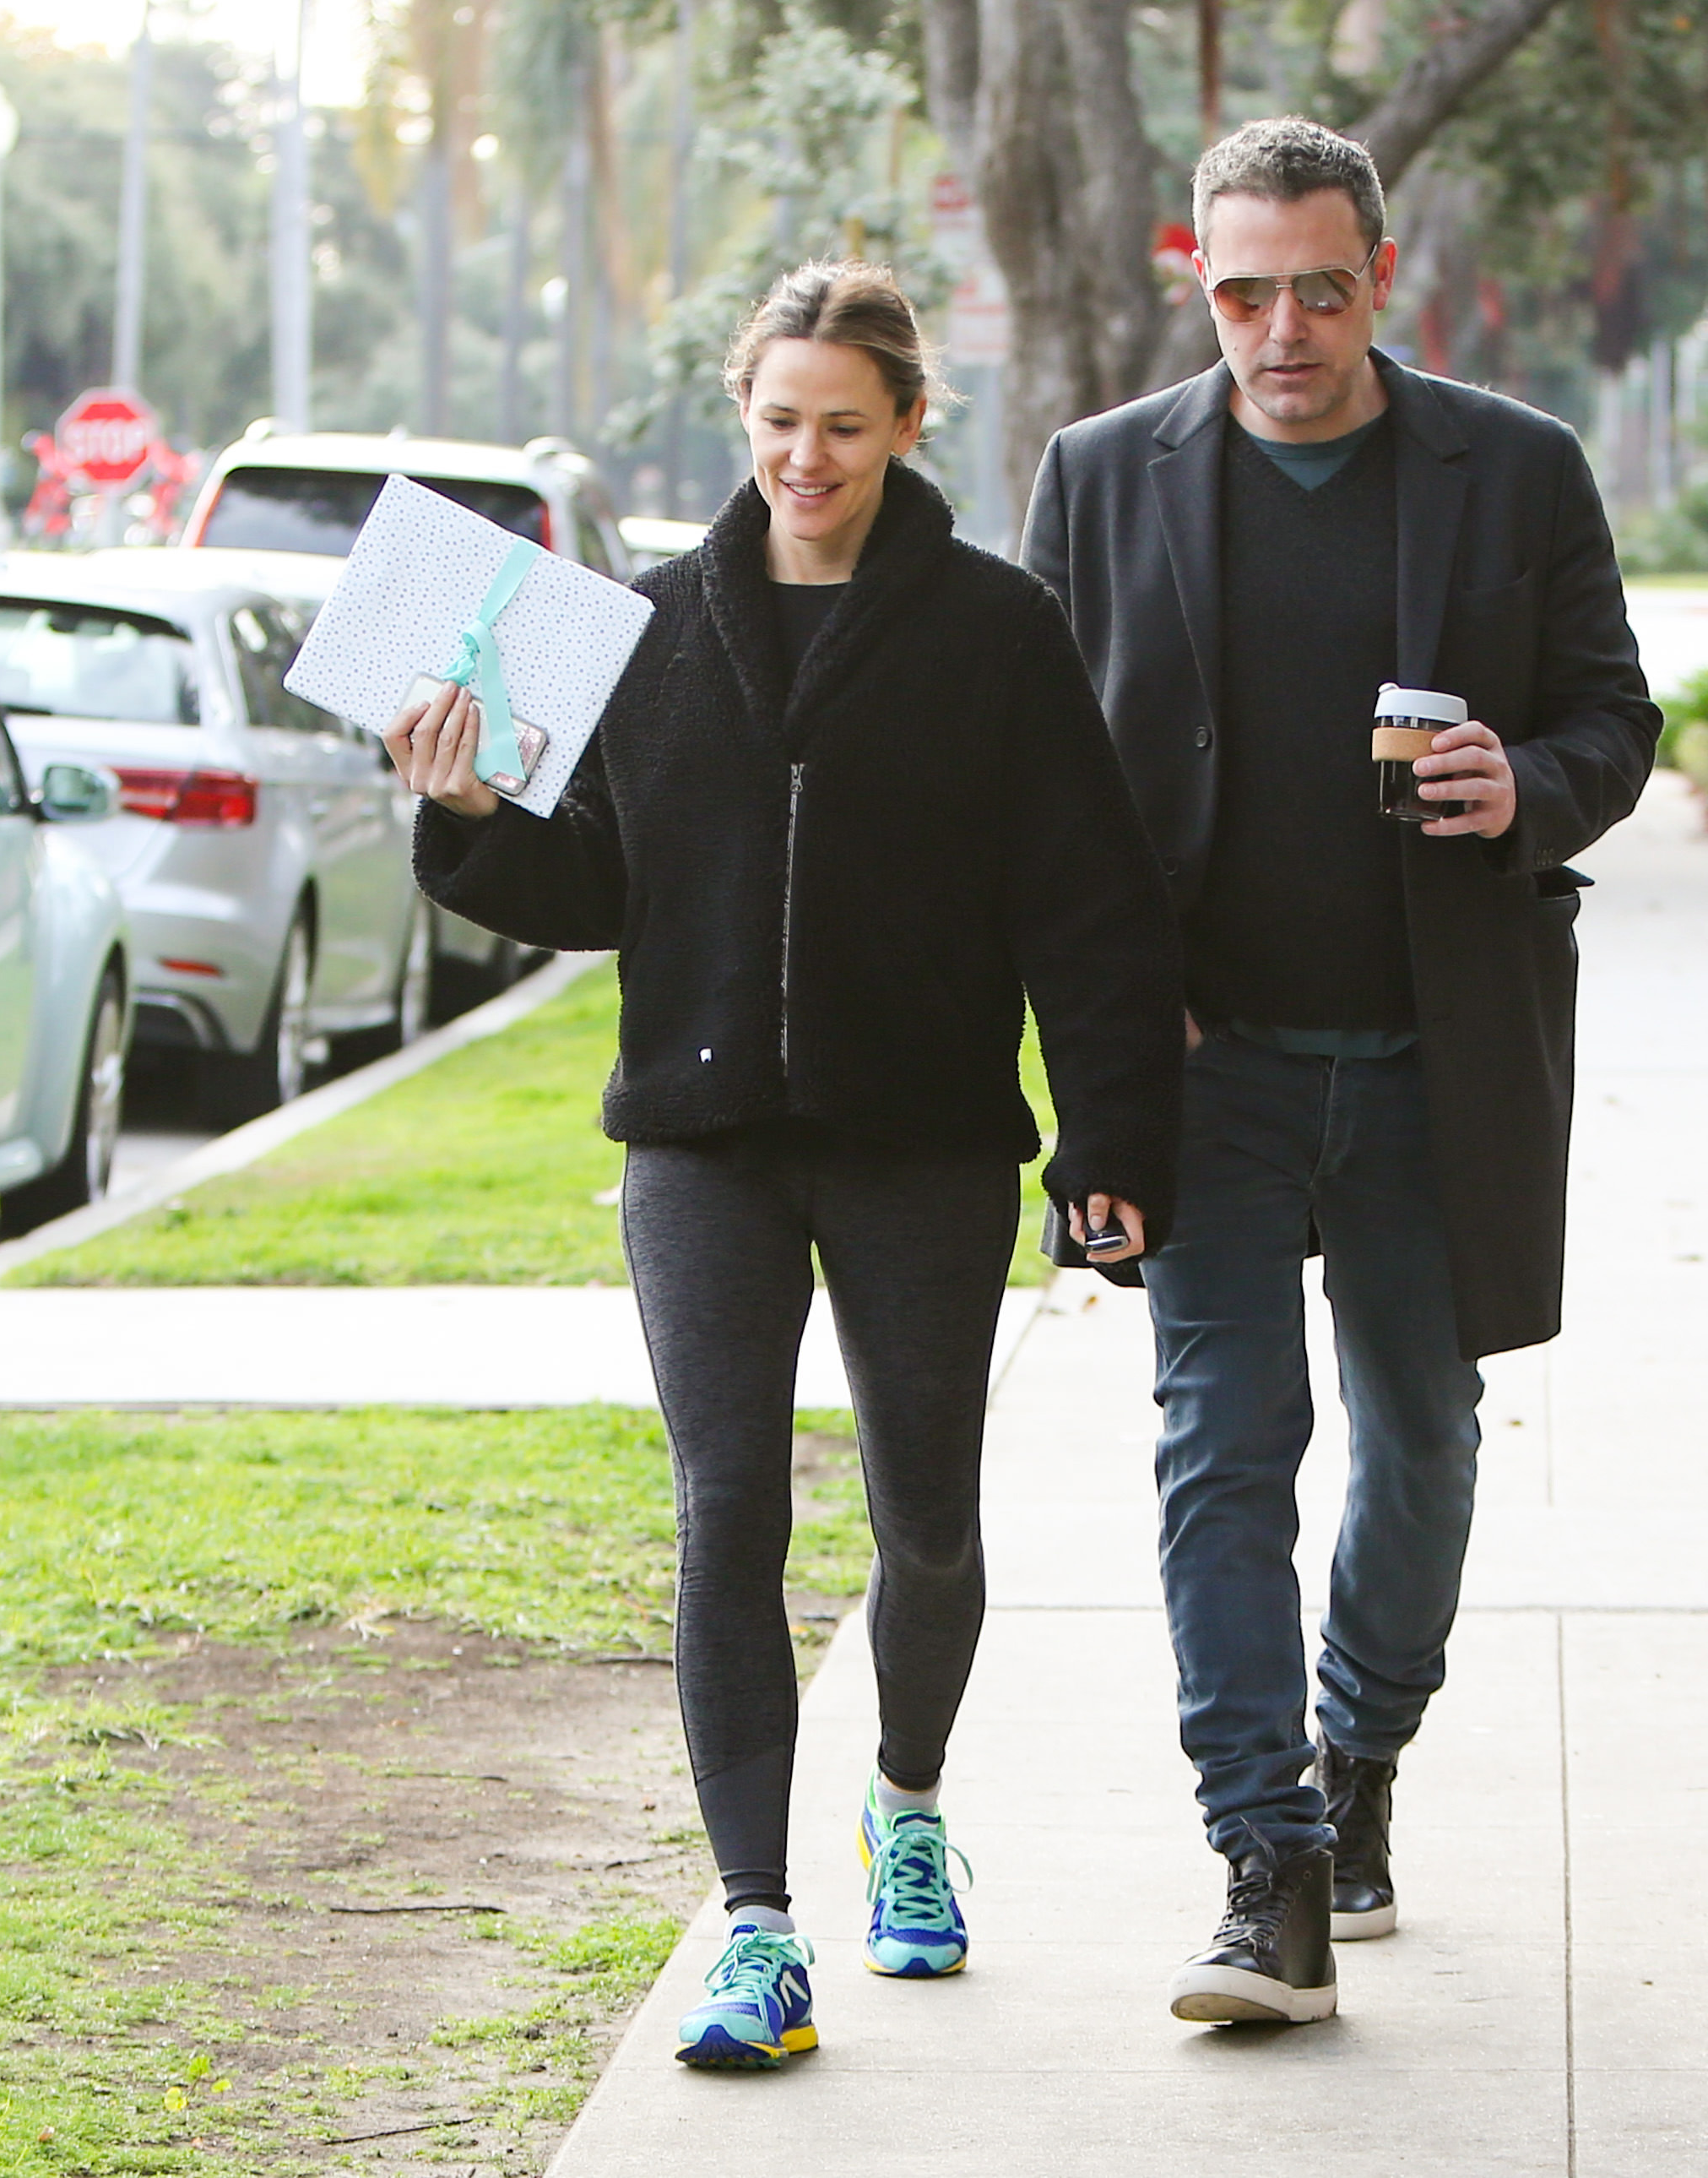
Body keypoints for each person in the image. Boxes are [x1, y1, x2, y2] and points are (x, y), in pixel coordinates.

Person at [390, 260, 1185, 2069]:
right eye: (776, 425)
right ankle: (754, 1926)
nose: (805, 458)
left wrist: (1109, 1142)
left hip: (919, 1147)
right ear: (738, 424)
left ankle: (905, 1814)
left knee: (920, 1511)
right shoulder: (650, 629)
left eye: (842, 424)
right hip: (700, 1148)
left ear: (907, 425)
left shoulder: (995, 633)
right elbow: (595, 883)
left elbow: (1090, 908)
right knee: (726, 1511)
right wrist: (462, 816)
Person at [1022, 117, 1662, 2025]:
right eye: (1239, 292)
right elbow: (1040, 789)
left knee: (1422, 1439)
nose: (1278, 327)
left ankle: (1359, 1750)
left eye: (1316, 287)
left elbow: (1613, 717)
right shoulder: (1100, 477)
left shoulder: (1512, 470)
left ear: (1380, 276)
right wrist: (1115, 1024)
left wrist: (1523, 787)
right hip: (1200, 1075)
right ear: (1193, 281)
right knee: (1220, 1454)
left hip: (1427, 1057)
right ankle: (1265, 1861)